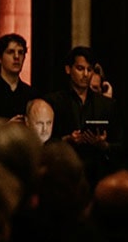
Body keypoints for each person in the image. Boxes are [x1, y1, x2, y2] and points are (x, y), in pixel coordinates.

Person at [47, 46, 120, 185]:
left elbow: (120, 144)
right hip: (63, 173)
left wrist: (104, 144)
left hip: (97, 174)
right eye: (80, 69)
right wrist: (67, 139)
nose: (86, 74)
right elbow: (43, 141)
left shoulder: (107, 104)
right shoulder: (54, 102)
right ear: (68, 69)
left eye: (89, 69)